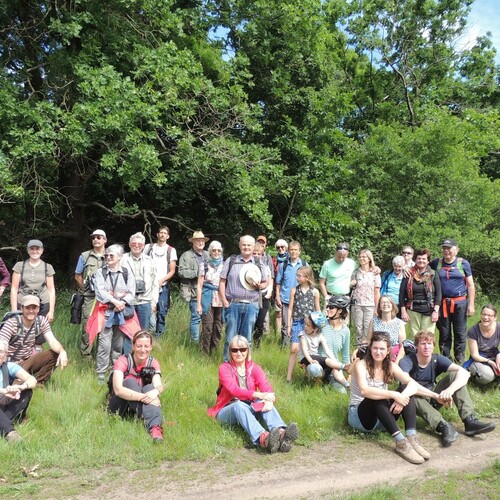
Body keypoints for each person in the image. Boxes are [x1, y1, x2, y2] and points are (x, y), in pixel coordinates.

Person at [349, 332, 441, 464]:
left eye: (382, 349)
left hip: (383, 418)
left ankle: (411, 438)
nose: (378, 352)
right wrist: (393, 394)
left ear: (388, 351)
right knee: (378, 396)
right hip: (360, 417)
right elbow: (365, 391)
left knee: (406, 388)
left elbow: (412, 384)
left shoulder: (390, 366)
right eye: (375, 348)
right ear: (370, 349)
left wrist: (435, 396)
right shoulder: (361, 365)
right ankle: (401, 443)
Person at [399, 330, 495, 447]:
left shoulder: (437, 359)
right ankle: (443, 426)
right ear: (417, 346)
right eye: (423, 343)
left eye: (429, 344)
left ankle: (470, 421)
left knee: (455, 375)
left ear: (433, 346)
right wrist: (435, 395)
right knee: (410, 393)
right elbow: (408, 384)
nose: (426, 347)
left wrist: (449, 390)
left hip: (434, 396)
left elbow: (465, 373)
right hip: (416, 400)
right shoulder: (407, 361)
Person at [208, 335, 299, 453]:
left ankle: (282, 434)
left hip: (248, 408)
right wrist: (259, 395)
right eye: (234, 350)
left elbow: (267, 388)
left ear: (247, 350)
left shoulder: (254, 368)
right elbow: (234, 390)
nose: (239, 353)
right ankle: (264, 438)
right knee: (239, 405)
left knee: (263, 401)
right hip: (226, 410)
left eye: (242, 349)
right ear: (230, 352)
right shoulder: (224, 368)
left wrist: (269, 400)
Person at [86, 244, 139, 384]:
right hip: (106, 314)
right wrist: (116, 301)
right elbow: (100, 292)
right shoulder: (100, 273)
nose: (108, 257)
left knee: (118, 345)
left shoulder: (127, 273)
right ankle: (101, 375)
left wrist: (120, 302)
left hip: (121, 314)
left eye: (111, 255)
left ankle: (115, 372)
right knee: (104, 345)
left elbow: (131, 293)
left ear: (120, 257)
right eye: (107, 255)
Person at [108, 330, 165, 442]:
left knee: (150, 387)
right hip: (120, 404)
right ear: (133, 346)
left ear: (151, 347)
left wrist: (155, 392)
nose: (143, 350)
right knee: (129, 382)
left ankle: (155, 429)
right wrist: (146, 398)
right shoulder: (123, 361)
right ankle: (153, 419)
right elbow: (118, 390)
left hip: (139, 404)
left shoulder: (153, 363)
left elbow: (159, 385)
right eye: (139, 346)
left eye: (146, 346)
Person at [219, 235, 269, 360]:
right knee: (230, 337)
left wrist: (259, 285)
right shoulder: (231, 260)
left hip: (252, 305)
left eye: (249, 245)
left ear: (253, 247)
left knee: (247, 338)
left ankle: (246, 365)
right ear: (240, 245)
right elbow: (222, 282)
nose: (246, 247)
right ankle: (227, 364)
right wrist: (224, 301)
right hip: (233, 304)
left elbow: (266, 282)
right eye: (244, 245)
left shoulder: (258, 263)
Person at [0, 295, 68, 384]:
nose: (31, 311)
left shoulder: (41, 321)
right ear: (22, 308)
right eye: (28, 308)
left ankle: (39, 383)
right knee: (15, 391)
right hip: (10, 364)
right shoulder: (12, 323)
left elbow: (52, 341)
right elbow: (2, 344)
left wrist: (62, 351)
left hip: (27, 361)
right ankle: (17, 380)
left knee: (55, 352)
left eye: (34, 308)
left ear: (38, 309)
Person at [430, 238, 476, 364]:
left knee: (460, 332)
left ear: (456, 249)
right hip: (442, 303)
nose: (446, 251)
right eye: (444, 248)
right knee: (444, 332)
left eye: (449, 248)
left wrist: (471, 304)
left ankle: (459, 359)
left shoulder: (463, 263)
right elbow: (421, 267)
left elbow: (471, 285)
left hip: (460, 303)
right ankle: (445, 360)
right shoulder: (437, 263)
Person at [122, 233, 159, 352]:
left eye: (139, 244)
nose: (136, 246)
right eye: (134, 243)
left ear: (143, 246)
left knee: (142, 333)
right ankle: (127, 359)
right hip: (128, 302)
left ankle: (140, 359)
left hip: (145, 301)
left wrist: (154, 302)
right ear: (129, 244)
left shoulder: (150, 261)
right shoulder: (122, 259)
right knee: (127, 332)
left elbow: (155, 283)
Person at [74, 229, 107, 358]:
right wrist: (86, 289)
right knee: (88, 325)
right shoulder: (84, 256)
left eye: (99, 237)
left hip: (106, 299)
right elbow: (77, 276)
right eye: (93, 238)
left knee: (104, 327)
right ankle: (86, 356)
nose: (95, 240)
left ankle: (101, 356)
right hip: (89, 298)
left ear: (105, 239)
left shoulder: (111, 255)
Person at [286, 266, 320, 382]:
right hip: (297, 322)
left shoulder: (315, 292)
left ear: (307, 277)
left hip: (310, 325)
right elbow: (290, 309)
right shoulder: (294, 290)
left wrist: (318, 326)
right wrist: (289, 325)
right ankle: (289, 377)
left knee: (309, 350)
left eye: (299, 275)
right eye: (297, 275)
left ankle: (307, 374)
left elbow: (317, 310)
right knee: (294, 349)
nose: (297, 277)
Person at [299, 312, 350, 387]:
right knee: (326, 360)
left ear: (315, 329)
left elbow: (327, 350)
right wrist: (310, 360)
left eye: (308, 325)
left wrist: (334, 361)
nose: (305, 327)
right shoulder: (303, 335)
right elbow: (304, 350)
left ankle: (346, 384)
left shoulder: (319, 336)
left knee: (334, 369)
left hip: (315, 357)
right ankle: (343, 367)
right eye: (305, 324)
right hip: (305, 358)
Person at [0, 339, 37, 442]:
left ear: (5, 354)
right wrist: (3, 391)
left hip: (4, 403)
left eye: (1, 351)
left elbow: (32, 380)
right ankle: (10, 433)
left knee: (27, 391)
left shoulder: (9, 367)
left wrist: (20, 387)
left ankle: (3, 424)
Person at [11, 239, 56, 323]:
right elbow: (14, 289)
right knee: (21, 329)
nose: (35, 251)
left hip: (42, 303)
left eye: (37, 249)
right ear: (28, 250)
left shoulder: (48, 267)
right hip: (23, 302)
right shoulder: (19, 266)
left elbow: (51, 291)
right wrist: (14, 311)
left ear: (42, 250)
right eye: (32, 249)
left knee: (41, 330)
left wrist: (51, 311)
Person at [400, 248, 441, 338]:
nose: (421, 261)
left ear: (428, 261)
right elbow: (402, 294)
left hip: (429, 310)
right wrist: (403, 311)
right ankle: (414, 352)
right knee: (414, 337)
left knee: (428, 337)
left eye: (424, 259)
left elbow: (438, 295)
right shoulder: (408, 274)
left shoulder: (433, 274)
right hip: (413, 309)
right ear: (415, 260)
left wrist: (436, 311)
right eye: (419, 258)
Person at [144, 226, 177, 336]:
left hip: (163, 285)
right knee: (149, 309)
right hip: (148, 285)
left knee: (162, 311)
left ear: (168, 236)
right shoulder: (148, 247)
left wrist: (161, 281)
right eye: (161, 233)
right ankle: (148, 333)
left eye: (165, 233)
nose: (162, 235)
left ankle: (159, 336)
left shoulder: (171, 250)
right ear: (157, 234)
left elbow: (172, 270)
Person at [178, 231, 209, 343]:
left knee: (208, 320)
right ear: (193, 242)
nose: (200, 242)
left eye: (202, 240)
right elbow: (181, 272)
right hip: (194, 292)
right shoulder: (186, 255)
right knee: (196, 319)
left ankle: (205, 342)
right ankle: (194, 344)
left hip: (208, 292)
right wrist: (198, 273)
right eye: (198, 240)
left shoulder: (209, 254)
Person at [275, 241, 306, 347]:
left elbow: (309, 283)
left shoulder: (304, 265)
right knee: (285, 325)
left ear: (299, 252)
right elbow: (278, 283)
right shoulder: (283, 265)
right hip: (286, 299)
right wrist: (277, 296)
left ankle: (298, 347)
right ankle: (285, 347)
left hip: (301, 300)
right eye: (291, 250)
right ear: (288, 251)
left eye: (295, 250)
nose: (293, 252)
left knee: (300, 324)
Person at [196, 241, 224, 356]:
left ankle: (214, 352)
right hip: (207, 296)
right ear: (210, 251)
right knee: (207, 326)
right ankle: (204, 354)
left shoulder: (225, 265)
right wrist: (198, 304)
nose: (216, 252)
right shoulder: (204, 265)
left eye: (218, 250)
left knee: (218, 326)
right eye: (214, 250)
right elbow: (199, 285)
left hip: (221, 297)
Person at [319, 295, 352, 392]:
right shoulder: (322, 324)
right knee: (314, 371)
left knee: (342, 392)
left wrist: (349, 375)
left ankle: (334, 382)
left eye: (332, 307)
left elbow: (345, 355)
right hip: (319, 363)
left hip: (335, 368)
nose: (328, 309)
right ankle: (315, 383)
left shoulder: (346, 331)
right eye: (327, 307)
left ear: (340, 311)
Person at [464, 304, 500, 387]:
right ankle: (473, 377)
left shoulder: (499, 327)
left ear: (495, 318)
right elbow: (475, 355)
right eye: (484, 314)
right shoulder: (473, 330)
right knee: (487, 376)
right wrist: (489, 362)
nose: (485, 317)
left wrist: (499, 355)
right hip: (479, 358)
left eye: (489, 315)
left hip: (494, 354)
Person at [351, 249, 381, 343]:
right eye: (360, 257)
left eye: (364, 257)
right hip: (357, 304)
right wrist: (351, 283)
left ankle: (366, 348)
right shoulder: (356, 272)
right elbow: (351, 286)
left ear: (369, 259)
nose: (361, 259)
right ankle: (358, 349)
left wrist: (377, 307)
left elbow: (377, 291)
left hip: (370, 304)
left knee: (368, 328)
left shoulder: (375, 273)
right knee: (358, 327)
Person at [368, 295, 406, 363]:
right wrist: (357, 350)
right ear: (379, 306)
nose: (385, 304)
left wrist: (397, 362)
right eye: (382, 302)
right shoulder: (373, 321)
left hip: (393, 357)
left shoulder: (399, 323)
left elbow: (403, 346)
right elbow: (368, 340)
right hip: (377, 355)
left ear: (392, 305)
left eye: (388, 302)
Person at [252, 241, 273, 347]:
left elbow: (269, 282)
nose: (256, 256)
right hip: (252, 297)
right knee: (251, 322)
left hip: (263, 298)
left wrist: (269, 292)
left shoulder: (266, 267)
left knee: (260, 323)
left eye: (259, 254)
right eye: (254, 253)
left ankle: (257, 345)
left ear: (262, 254)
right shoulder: (247, 267)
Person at [272, 239, 289, 334]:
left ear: (286, 247)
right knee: (278, 313)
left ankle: (288, 332)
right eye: (278, 247)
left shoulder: (290, 259)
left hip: (288, 288)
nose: (280, 249)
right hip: (278, 288)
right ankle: (278, 334)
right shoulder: (274, 260)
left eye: (282, 247)